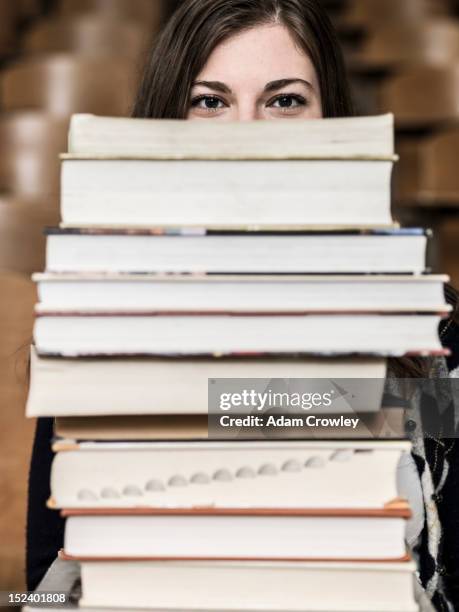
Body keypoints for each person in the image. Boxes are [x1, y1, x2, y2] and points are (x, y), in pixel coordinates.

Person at [27, 0, 459, 608]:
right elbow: (45, 578)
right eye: (210, 101)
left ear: (331, 120)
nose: (247, 135)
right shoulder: (100, 321)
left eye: (285, 101)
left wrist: (224, 405)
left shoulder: (429, 319)